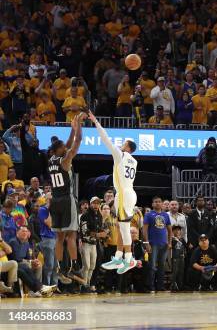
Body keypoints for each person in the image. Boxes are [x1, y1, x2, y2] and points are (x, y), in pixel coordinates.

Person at [89, 111, 140, 275]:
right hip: (125, 193)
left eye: (124, 143)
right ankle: (119, 256)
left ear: (128, 147)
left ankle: (129, 259)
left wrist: (96, 122)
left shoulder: (121, 155)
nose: (121, 144)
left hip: (125, 194)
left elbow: (106, 140)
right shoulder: (134, 161)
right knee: (121, 226)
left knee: (124, 228)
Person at [48, 112, 84, 284]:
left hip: (54, 201)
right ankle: (75, 266)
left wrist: (72, 129)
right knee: (71, 235)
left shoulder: (52, 159)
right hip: (66, 199)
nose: (66, 148)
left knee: (59, 237)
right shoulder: (66, 160)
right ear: (59, 150)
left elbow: (68, 143)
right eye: (63, 147)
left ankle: (60, 267)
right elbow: (76, 143)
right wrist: (79, 128)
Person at [142, 197, 172, 292]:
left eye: (159, 202)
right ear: (152, 204)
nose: (158, 203)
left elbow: (170, 230)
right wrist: (146, 242)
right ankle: (150, 286)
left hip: (164, 244)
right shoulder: (148, 215)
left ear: (162, 203)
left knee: (162, 266)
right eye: (156, 202)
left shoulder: (165, 215)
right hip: (152, 243)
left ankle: (160, 286)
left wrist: (169, 242)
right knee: (152, 266)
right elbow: (144, 229)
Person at [170, 225, 187, 291]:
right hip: (175, 257)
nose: (177, 231)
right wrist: (176, 239)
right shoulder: (171, 239)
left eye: (179, 230)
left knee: (181, 272)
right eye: (176, 230)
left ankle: (180, 286)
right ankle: (173, 285)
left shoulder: (182, 239)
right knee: (175, 272)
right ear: (173, 231)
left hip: (182, 257)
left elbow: (186, 246)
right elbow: (172, 246)